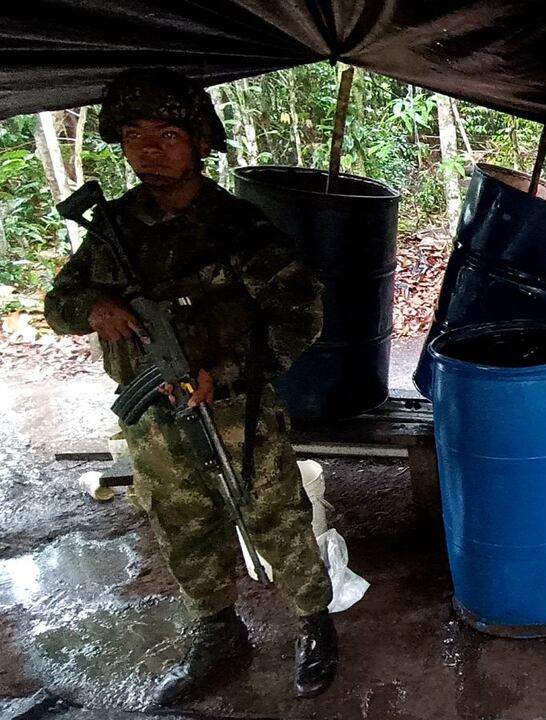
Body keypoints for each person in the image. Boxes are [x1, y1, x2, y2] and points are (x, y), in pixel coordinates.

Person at [44, 68, 338, 703]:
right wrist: (95, 307)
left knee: (274, 515)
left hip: (235, 408)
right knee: (182, 521)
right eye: (134, 134)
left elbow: (300, 314)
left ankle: (314, 626)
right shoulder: (110, 228)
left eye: (168, 133)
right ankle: (217, 631)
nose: (150, 148)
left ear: (201, 142)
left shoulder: (240, 229)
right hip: (152, 417)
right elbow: (59, 303)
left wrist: (225, 369)